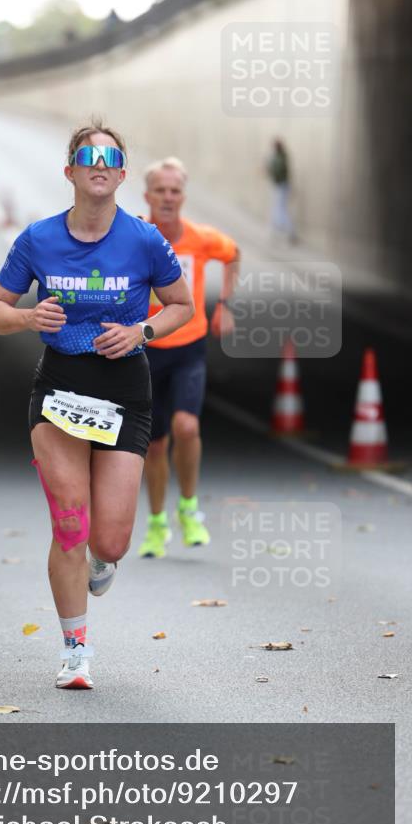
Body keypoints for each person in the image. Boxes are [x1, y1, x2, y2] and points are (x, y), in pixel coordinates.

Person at [0, 121, 193, 690]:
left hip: (126, 389)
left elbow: (182, 305)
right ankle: (76, 651)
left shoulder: (145, 239)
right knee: (70, 522)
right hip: (61, 390)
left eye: (111, 157)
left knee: (110, 541)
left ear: (122, 174)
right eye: (87, 156)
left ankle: (103, 561)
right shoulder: (38, 239)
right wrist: (28, 316)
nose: (99, 164)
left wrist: (142, 330)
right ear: (71, 171)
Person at [138, 157, 239, 558]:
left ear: (183, 196)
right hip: (146, 349)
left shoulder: (199, 238)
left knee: (187, 426)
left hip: (188, 346)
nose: (167, 197)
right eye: (159, 190)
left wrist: (227, 305)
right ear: (146, 195)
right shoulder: (137, 236)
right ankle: (158, 524)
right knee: (154, 444)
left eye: (174, 190)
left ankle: (190, 509)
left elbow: (233, 254)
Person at [267, 139, 296, 242]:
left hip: (281, 186)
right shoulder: (279, 157)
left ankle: (289, 231)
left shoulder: (280, 158)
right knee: (277, 209)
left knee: (280, 209)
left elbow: (277, 170)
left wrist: (270, 167)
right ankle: (278, 231)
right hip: (280, 185)